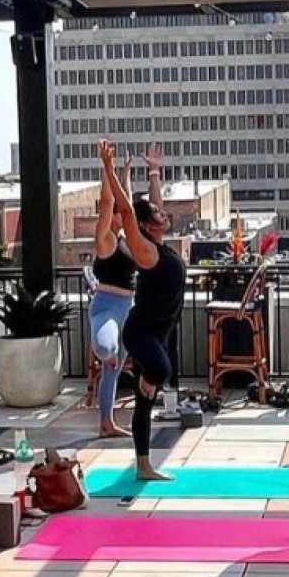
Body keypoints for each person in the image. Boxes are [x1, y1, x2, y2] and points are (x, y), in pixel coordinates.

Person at [99, 140, 185, 482]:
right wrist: (108, 169)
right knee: (160, 371)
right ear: (150, 225)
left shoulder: (160, 245)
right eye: (158, 214)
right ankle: (148, 385)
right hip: (141, 331)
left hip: (161, 331)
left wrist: (153, 171)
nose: (163, 213)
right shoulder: (145, 250)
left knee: (145, 402)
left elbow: (152, 205)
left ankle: (143, 465)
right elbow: (127, 211)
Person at [89, 145, 164, 438]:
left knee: (115, 369)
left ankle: (106, 423)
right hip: (106, 307)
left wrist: (128, 172)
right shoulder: (106, 240)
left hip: (127, 310)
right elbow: (109, 203)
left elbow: (130, 207)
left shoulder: (131, 239)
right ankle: (104, 355)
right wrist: (107, 170)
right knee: (107, 351)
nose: (125, 210)